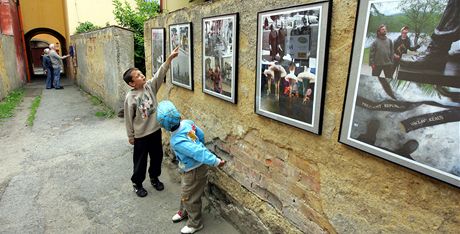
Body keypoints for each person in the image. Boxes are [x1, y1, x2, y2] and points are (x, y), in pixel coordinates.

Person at [156, 100, 226, 234]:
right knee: (186, 192)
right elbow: (200, 135)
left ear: (163, 125)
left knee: (190, 197)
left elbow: (197, 152)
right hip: (191, 169)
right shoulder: (187, 123)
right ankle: (184, 211)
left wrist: (216, 161)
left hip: (193, 171)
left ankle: (195, 223)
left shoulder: (177, 141)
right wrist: (200, 144)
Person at [123, 47, 179, 197]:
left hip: (155, 131)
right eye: (138, 76)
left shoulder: (150, 86)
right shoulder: (131, 98)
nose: (142, 76)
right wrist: (131, 136)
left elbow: (160, 74)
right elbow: (129, 119)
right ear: (132, 83)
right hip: (140, 135)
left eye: (141, 73)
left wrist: (169, 59)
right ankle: (137, 183)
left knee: (157, 157)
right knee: (140, 161)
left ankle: (154, 177)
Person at [400, 0, 460, 69]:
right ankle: (437, 51)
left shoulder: (407, 39)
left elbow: (410, 48)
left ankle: (437, 52)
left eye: (406, 31)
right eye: (404, 31)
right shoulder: (398, 39)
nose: (405, 32)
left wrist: (417, 46)